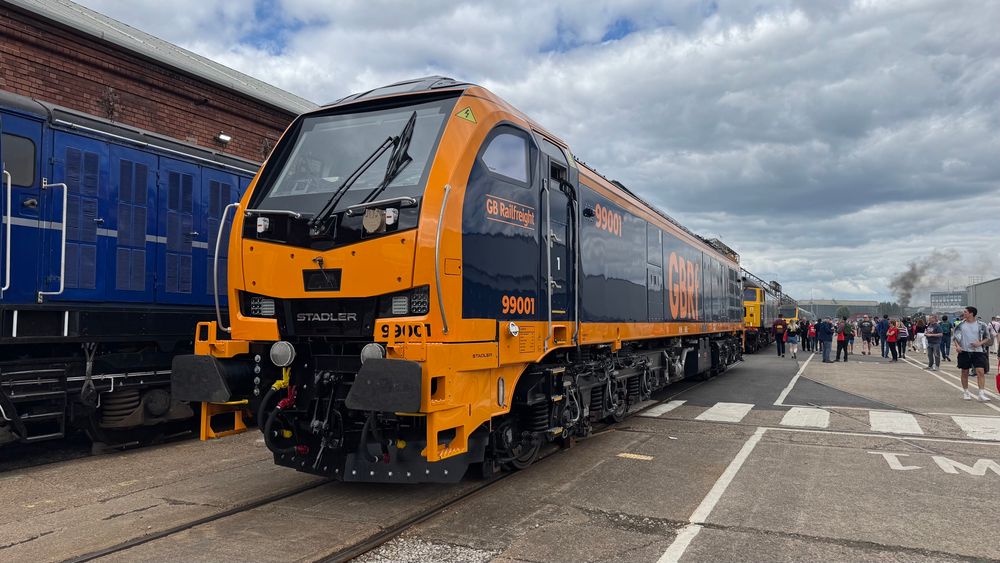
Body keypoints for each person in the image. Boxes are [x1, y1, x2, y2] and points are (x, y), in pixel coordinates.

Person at [953, 306, 993, 401]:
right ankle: (966, 392)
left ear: (971, 313)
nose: (964, 314)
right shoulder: (960, 325)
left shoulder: (982, 325)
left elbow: (987, 337)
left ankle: (981, 393)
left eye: (965, 312)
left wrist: (979, 343)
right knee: (965, 372)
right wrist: (957, 346)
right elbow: (955, 337)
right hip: (964, 351)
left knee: (980, 372)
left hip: (978, 351)